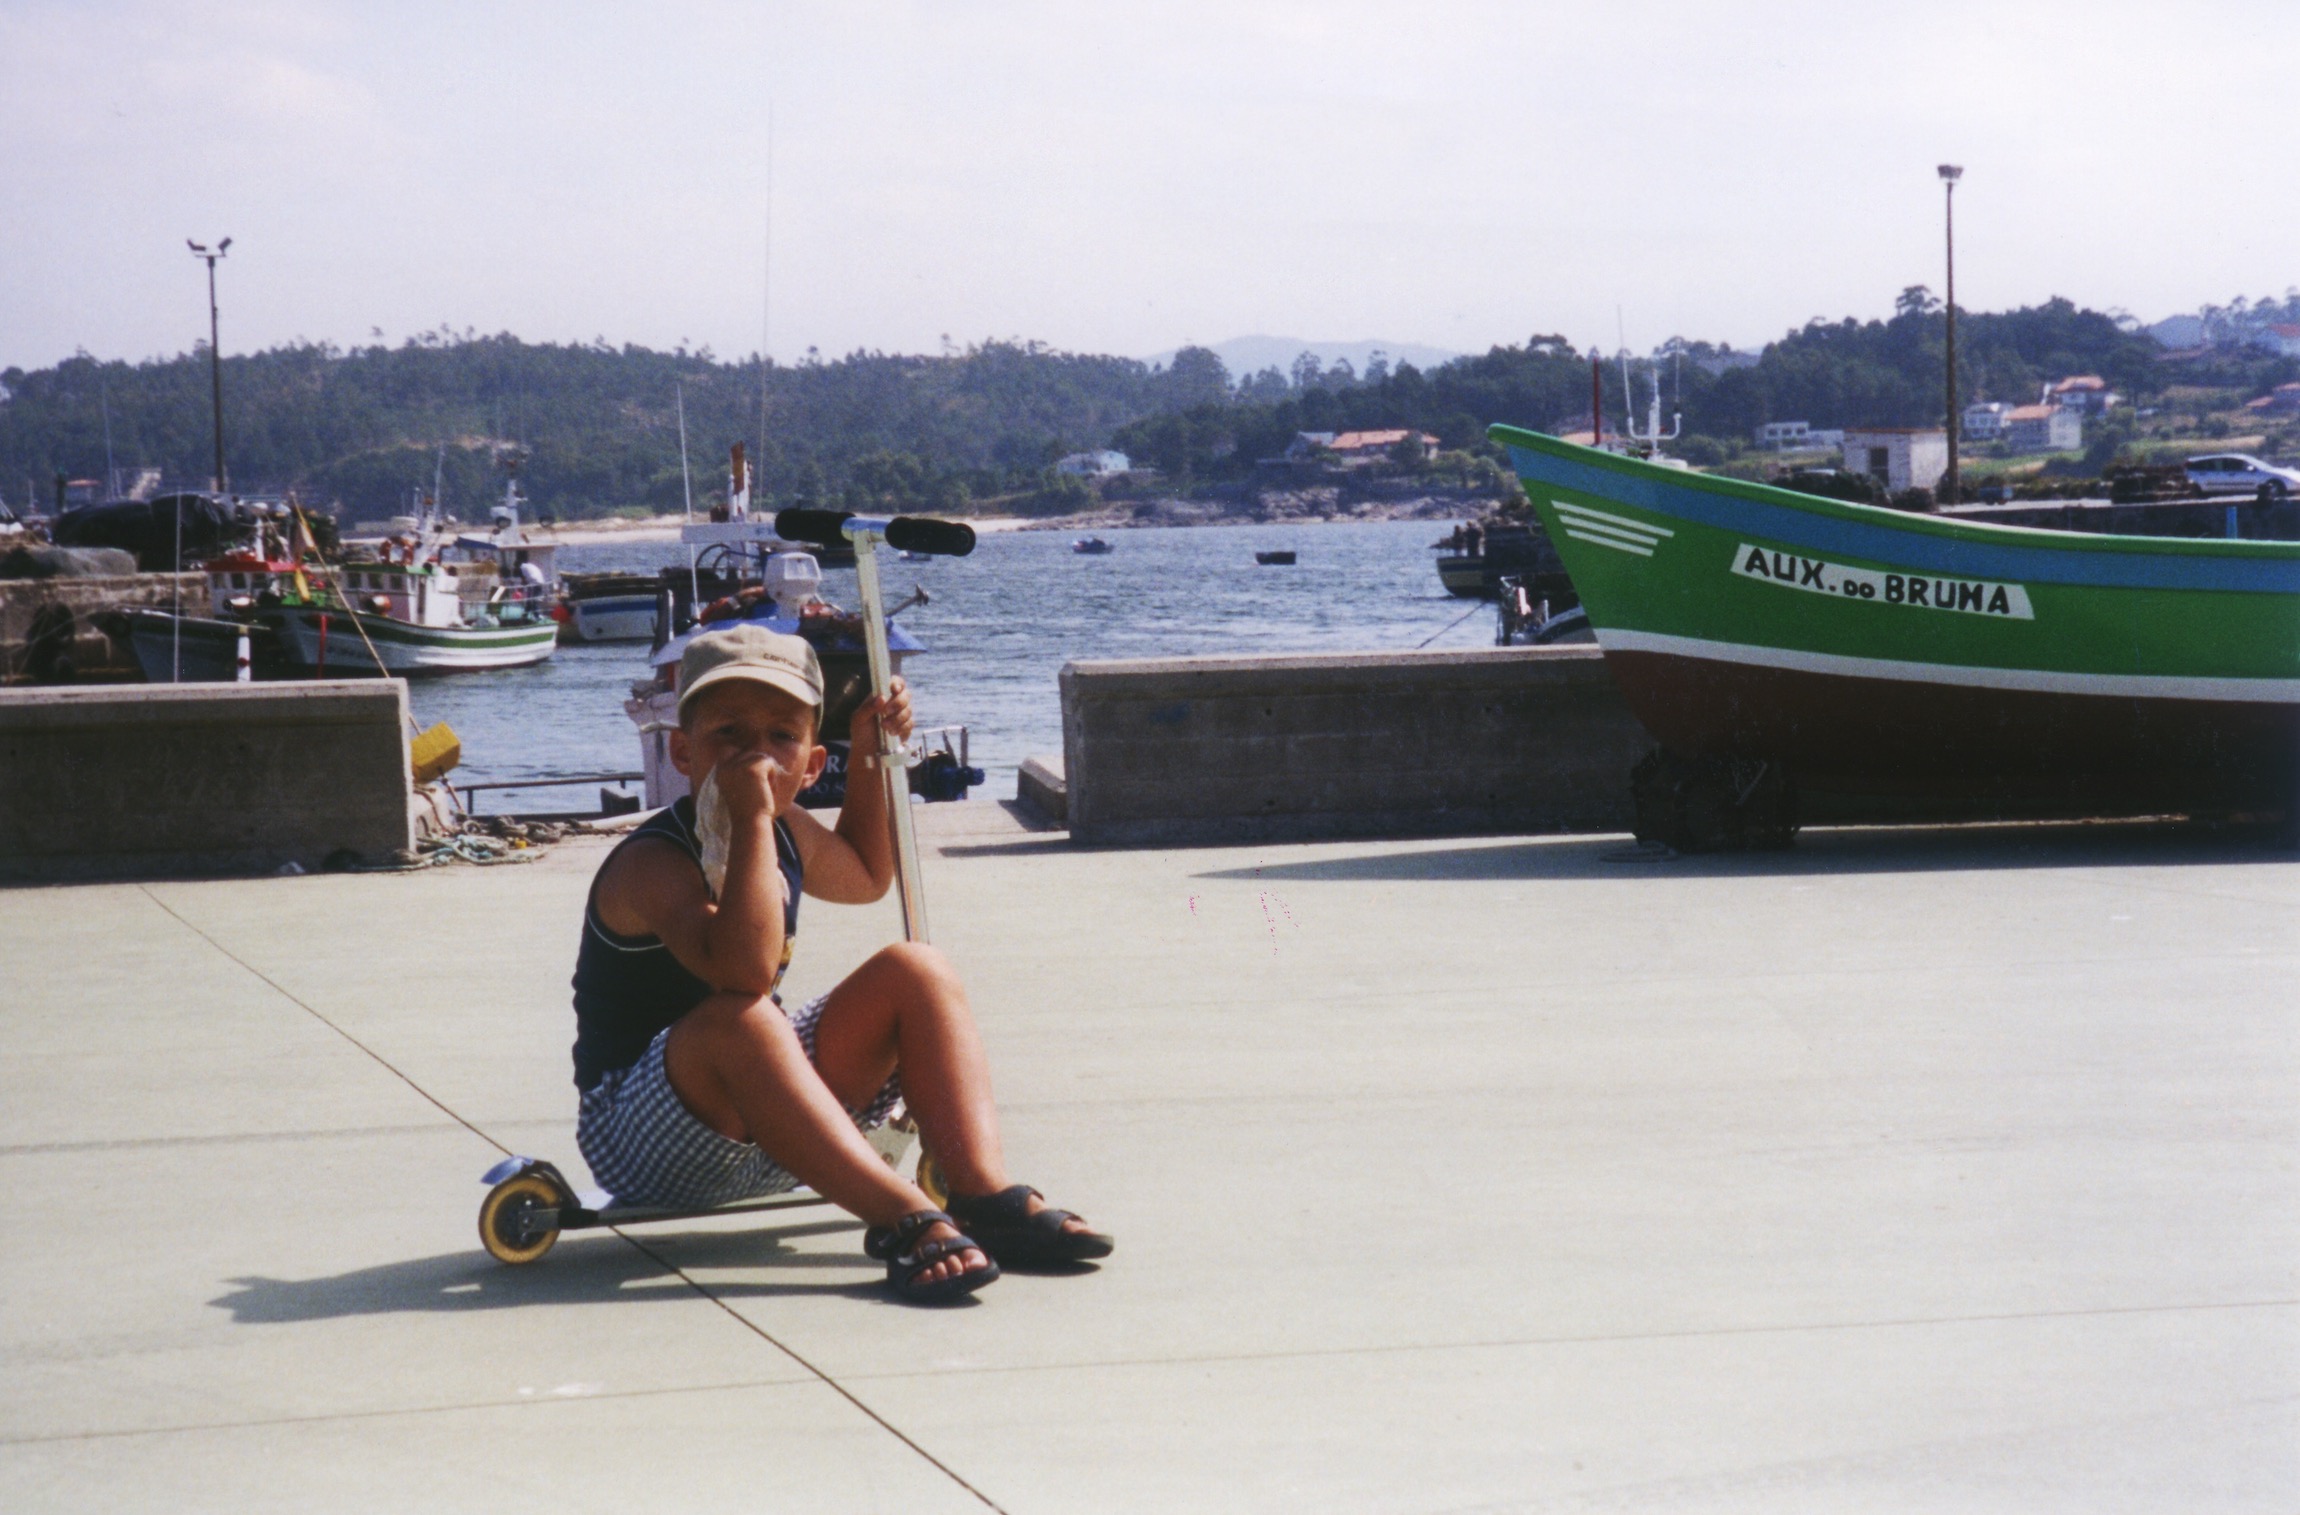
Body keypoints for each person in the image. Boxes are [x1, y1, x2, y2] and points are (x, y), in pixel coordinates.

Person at [570, 624, 1111, 1304]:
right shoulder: (654, 861)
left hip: (776, 1129)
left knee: (917, 969)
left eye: (781, 736)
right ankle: (903, 1216)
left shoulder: (786, 827)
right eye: (729, 734)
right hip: (645, 1139)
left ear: (810, 763)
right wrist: (752, 820)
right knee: (744, 1017)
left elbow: (865, 875)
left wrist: (870, 753)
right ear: (683, 751)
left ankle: (981, 1194)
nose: (756, 755)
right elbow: (744, 974)